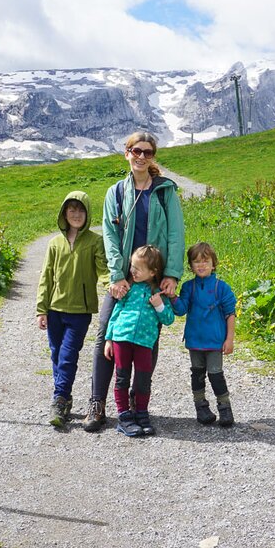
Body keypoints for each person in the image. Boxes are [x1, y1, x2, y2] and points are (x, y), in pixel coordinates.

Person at [82, 131, 185, 433]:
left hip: (154, 279)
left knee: (147, 339)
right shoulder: (115, 193)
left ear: (153, 156)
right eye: (136, 151)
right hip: (124, 279)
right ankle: (97, 403)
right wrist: (116, 276)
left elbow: (176, 236)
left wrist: (171, 275)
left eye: (148, 152)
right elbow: (111, 238)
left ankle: (136, 406)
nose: (141, 156)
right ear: (126, 153)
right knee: (105, 334)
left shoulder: (165, 193)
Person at [36, 191, 108, 427]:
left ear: (87, 214)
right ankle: (64, 398)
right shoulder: (54, 243)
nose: (76, 215)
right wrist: (41, 309)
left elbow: (103, 269)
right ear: (64, 213)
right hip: (55, 309)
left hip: (80, 311)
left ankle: (58, 400)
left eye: (81, 210)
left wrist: (113, 285)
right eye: (71, 210)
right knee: (56, 354)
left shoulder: (95, 241)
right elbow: (46, 276)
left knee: (67, 356)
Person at [104, 245, 175, 437]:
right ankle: (124, 416)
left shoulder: (159, 294)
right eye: (132, 266)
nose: (133, 271)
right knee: (122, 377)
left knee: (143, 379)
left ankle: (142, 413)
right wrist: (109, 338)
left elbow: (169, 319)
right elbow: (116, 313)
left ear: (152, 272)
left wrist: (159, 306)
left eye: (138, 268)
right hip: (122, 338)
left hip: (144, 342)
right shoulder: (129, 288)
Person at [173, 241, 237, 427]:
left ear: (213, 264)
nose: (201, 265)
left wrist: (229, 339)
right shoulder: (188, 287)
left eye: (205, 261)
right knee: (197, 374)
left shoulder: (221, 287)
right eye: (196, 261)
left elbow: (230, 314)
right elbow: (181, 309)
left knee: (216, 374)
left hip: (215, 342)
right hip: (195, 341)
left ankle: (225, 408)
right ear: (191, 266)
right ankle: (201, 407)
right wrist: (172, 298)